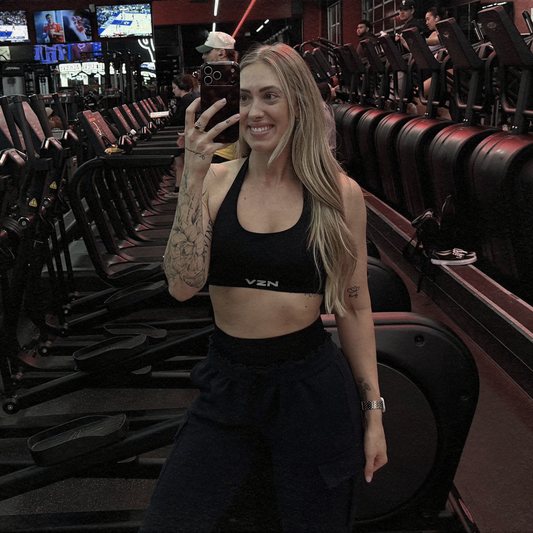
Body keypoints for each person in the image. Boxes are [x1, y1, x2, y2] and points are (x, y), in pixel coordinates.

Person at [139, 42, 387, 533]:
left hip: (311, 389)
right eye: (245, 96)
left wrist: (374, 413)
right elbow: (182, 287)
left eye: (270, 96)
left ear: (298, 103)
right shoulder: (215, 180)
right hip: (228, 381)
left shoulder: (338, 194)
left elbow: (355, 307)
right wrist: (191, 176)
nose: (254, 112)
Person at [197, 31, 239, 164]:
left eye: (207, 52)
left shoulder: (240, 80)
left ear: (221, 53)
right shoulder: (213, 82)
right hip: (214, 148)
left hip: (225, 153)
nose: (203, 56)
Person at [165, 75, 197, 199]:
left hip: (183, 134)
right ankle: (181, 188)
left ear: (181, 87)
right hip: (188, 133)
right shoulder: (190, 98)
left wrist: (167, 121)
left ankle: (178, 189)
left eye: (174, 88)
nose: (173, 91)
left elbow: (178, 119)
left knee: (179, 162)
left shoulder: (185, 100)